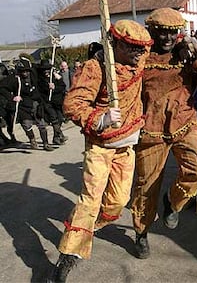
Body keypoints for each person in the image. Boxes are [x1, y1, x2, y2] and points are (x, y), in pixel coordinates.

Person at [47, 20, 153, 282]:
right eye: (133, 48)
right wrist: (101, 117)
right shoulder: (95, 68)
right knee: (90, 201)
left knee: (116, 203)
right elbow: (73, 105)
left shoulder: (139, 60)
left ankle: (86, 229)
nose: (140, 54)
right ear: (116, 44)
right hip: (100, 146)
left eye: (142, 49)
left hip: (126, 146)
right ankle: (68, 256)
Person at [129, 8, 197, 259]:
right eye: (162, 32)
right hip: (150, 129)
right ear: (151, 30)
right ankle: (141, 232)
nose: (168, 38)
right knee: (146, 186)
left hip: (184, 122)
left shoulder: (187, 54)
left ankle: (173, 202)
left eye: (173, 32)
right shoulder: (140, 56)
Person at [0, 58, 55, 151]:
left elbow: (43, 74)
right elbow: (2, 88)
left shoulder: (33, 74)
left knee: (41, 123)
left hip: (35, 102)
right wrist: (12, 97)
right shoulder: (14, 79)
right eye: (23, 71)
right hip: (23, 105)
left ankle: (46, 143)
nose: (25, 73)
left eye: (27, 71)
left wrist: (49, 84)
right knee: (26, 124)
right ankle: (32, 140)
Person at [36, 59, 68, 145]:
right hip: (47, 103)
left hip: (57, 102)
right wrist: (47, 87)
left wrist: (55, 87)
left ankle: (56, 137)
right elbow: (41, 90)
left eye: (47, 69)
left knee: (60, 119)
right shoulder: (40, 79)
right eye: (44, 70)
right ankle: (60, 134)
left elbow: (62, 87)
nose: (46, 71)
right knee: (54, 118)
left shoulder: (55, 77)